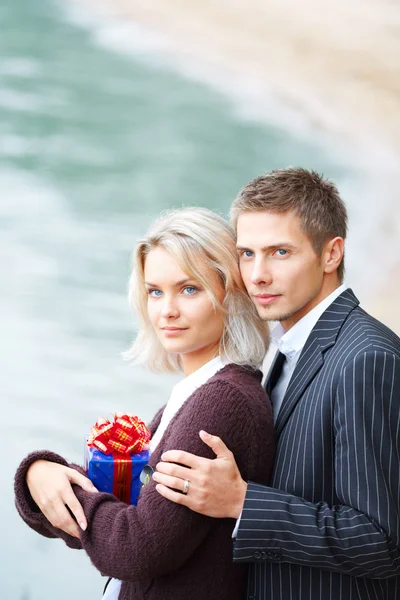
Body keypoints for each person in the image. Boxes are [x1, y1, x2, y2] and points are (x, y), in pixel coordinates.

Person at [153, 169, 400, 600]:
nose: (258, 275)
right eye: (246, 254)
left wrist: (242, 503)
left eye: (279, 252)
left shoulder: (366, 359)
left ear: (331, 254)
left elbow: (380, 540)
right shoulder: (279, 348)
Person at [14, 207, 275, 600]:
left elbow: (136, 547)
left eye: (189, 289)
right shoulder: (196, 393)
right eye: (155, 291)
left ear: (230, 293)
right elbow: (113, 512)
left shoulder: (222, 402)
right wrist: (41, 474)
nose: (166, 310)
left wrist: (65, 492)